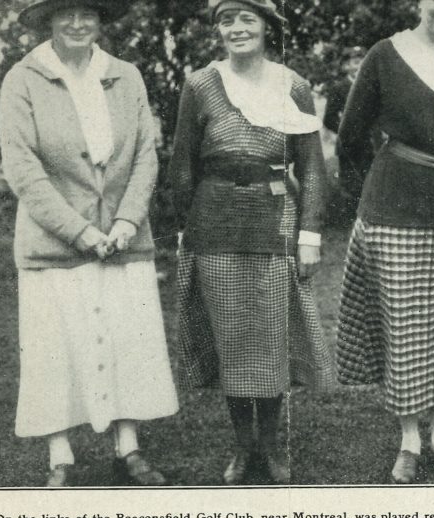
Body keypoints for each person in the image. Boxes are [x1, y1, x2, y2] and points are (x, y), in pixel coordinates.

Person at [0, 0, 179, 487]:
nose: (78, 24)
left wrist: (125, 221)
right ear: (48, 21)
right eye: (66, 13)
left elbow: (145, 153)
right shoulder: (24, 78)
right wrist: (79, 230)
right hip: (54, 243)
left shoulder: (126, 75)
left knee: (128, 340)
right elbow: (22, 168)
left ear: (101, 21)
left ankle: (130, 446)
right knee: (54, 346)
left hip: (123, 237)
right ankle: (61, 455)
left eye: (89, 14)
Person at [170, 0, 333, 485]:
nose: (237, 29)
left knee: (271, 336)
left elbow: (313, 168)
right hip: (213, 222)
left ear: (267, 27)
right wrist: (186, 228)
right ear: (218, 29)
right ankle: (244, 448)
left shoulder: (293, 85)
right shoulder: (200, 84)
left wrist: (309, 235)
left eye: (247, 19)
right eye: (227, 20)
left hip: (275, 221)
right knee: (232, 339)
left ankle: (270, 447)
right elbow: (182, 164)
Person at [335, 0, 434, 484]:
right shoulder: (387, 54)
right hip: (395, 206)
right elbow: (348, 136)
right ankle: (409, 441)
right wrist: (380, 188)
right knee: (404, 326)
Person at [322, 46, 371, 224]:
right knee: (351, 181)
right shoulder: (339, 88)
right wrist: (346, 130)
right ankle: (348, 220)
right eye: (354, 62)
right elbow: (328, 119)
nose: (358, 66)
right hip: (349, 145)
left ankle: (367, 218)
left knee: (370, 179)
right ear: (346, 66)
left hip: (371, 143)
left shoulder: (371, 85)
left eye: (362, 62)